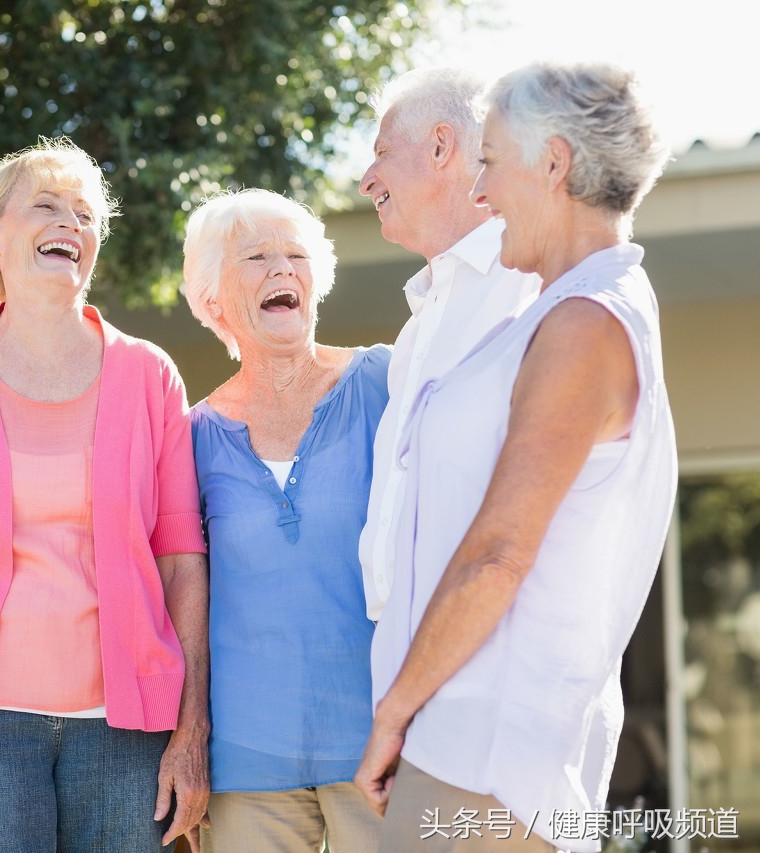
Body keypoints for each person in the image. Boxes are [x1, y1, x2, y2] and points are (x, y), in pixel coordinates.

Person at [354, 61, 675, 853]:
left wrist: (395, 711)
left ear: (555, 164)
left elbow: (499, 552)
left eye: (490, 162)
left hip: (486, 756)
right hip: (463, 743)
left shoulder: (584, 324)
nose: (484, 192)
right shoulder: (558, 309)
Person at [0, 137, 209, 853]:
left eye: (86, 215)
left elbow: (182, 567)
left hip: (126, 732)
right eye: (48, 206)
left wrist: (190, 730)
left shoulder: (150, 376)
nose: (70, 225)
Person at [181, 189, 388, 852]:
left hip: (380, 742)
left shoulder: (384, 383)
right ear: (214, 298)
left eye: (296, 255)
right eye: (257, 257)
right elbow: (183, 595)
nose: (282, 270)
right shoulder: (191, 436)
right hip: (246, 758)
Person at [356, 68, 541, 623]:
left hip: (496, 647)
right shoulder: (416, 330)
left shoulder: (531, 285)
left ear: (441, 146)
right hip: (406, 649)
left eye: (382, 151)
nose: (367, 180)